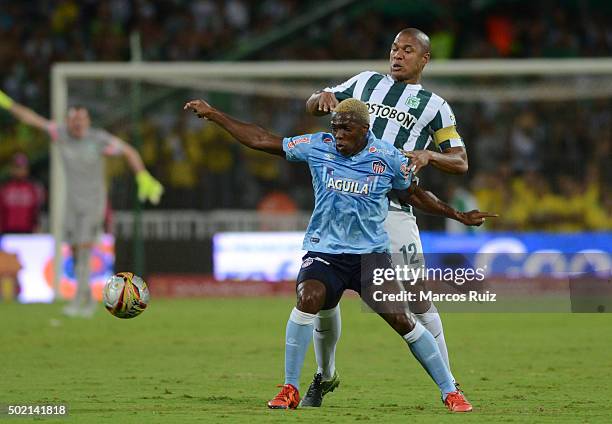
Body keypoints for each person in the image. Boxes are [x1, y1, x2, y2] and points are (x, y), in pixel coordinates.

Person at [185, 97, 495, 412]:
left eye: (346, 129)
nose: (339, 135)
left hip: (370, 257)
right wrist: (215, 115)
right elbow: (262, 139)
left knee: (403, 319)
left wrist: (457, 215)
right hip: (325, 251)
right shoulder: (318, 146)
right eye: (335, 127)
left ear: (365, 129)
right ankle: (290, 388)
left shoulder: (389, 158)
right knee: (308, 298)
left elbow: (413, 194)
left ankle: (449, 391)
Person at [304, 27, 468, 405]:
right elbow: (314, 104)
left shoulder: (435, 106)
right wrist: (322, 96)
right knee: (322, 295)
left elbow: (459, 161)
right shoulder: (364, 83)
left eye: (407, 50)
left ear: (424, 59)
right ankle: (324, 375)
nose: (397, 55)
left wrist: (429, 155)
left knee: (417, 297)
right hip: (343, 206)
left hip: (394, 211)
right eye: (394, 47)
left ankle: (451, 387)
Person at [0, 89, 163, 317]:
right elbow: (32, 119)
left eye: (81, 119)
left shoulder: (98, 139)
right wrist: (8, 104)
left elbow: (129, 151)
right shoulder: (60, 134)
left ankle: (81, 302)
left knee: (85, 251)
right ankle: (84, 297)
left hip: (93, 204)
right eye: (73, 120)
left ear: (87, 121)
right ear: (68, 121)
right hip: (71, 205)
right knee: (76, 253)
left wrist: (142, 175)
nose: (77, 124)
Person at [0, 153, 45, 234]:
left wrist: (38, 226)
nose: (20, 171)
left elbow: (38, 211)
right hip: (7, 232)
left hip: (28, 232)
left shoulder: (34, 189)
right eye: (17, 167)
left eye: (23, 168)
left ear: (27, 169)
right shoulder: (5, 189)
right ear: (11, 169)